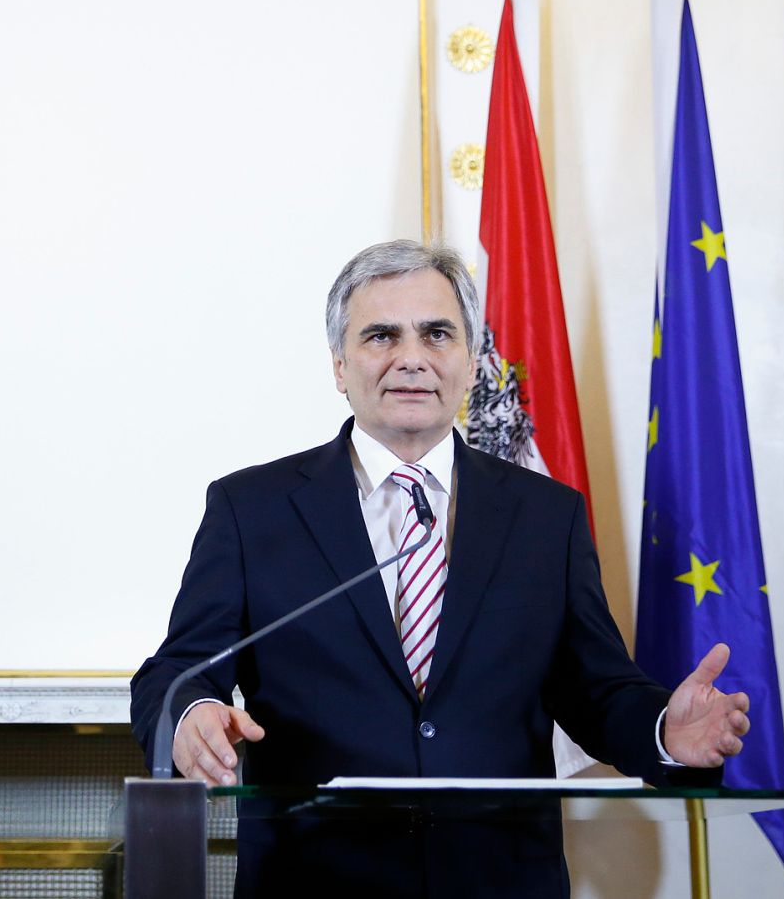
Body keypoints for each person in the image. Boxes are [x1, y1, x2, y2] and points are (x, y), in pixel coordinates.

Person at [129, 239, 752, 898]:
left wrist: (662, 729)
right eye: (380, 336)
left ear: (470, 359)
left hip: (500, 880)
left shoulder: (548, 516)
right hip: (317, 880)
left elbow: (595, 690)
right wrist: (193, 711)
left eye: (437, 334)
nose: (412, 359)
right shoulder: (252, 510)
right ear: (339, 365)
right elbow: (174, 672)